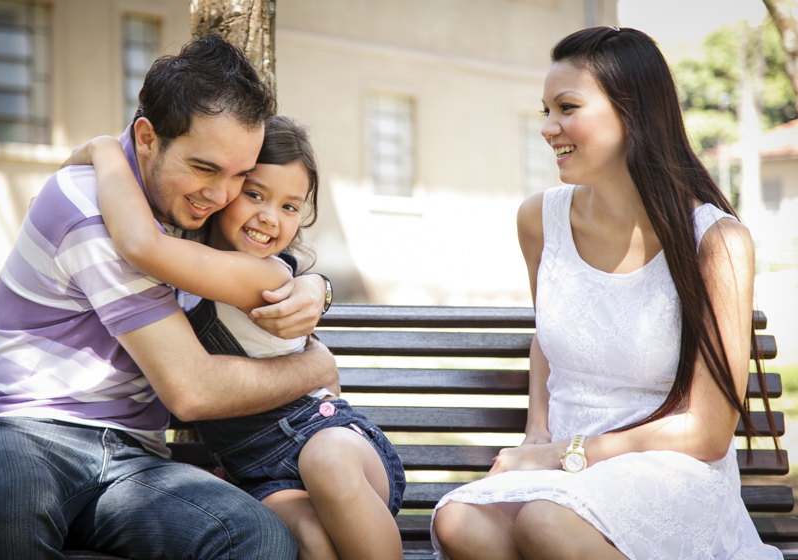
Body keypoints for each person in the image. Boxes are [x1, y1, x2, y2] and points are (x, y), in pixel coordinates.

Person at [0, 35, 338, 560]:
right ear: (146, 137)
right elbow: (191, 392)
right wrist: (316, 367)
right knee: (14, 512)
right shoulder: (92, 210)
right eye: (204, 168)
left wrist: (317, 287)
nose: (222, 195)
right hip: (20, 428)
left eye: (239, 175)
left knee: (258, 539)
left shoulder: (193, 209)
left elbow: (273, 260)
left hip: (133, 459)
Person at [430, 26, 783, 560]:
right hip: (564, 469)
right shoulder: (539, 219)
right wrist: (536, 436)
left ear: (631, 111)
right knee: (462, 523)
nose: (549, 128)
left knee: (548, 526)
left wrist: (563, 455)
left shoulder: (716, 242)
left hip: (671, 469)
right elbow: (547, 338)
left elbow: (708, 434)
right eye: (546, 110)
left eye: (566, 107)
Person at [69, 115, 406, 560]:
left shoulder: (262, 274)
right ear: (227, 188)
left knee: (326, 463)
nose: (269, 218)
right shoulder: (189, 266)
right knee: (312, 542)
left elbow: (140, 243)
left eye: (290, 206)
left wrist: (102, 149)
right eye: (254, 195)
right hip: (259, 475)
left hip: (329, 439)